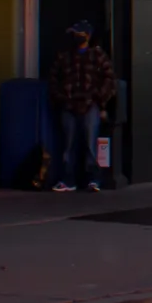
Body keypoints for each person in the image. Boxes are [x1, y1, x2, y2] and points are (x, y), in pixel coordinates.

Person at [47, 19, 116, 192]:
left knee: (89, 143)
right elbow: (53, 79)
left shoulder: (97, 55)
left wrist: (99, 99)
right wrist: (61, 97)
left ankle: (93, 179)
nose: (76, 37)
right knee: (68, 144)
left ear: (88, 36)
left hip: (90, 104)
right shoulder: (65, 56)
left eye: (79, 34)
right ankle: (68, 179)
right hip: (68, 105)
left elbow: (109, 79)